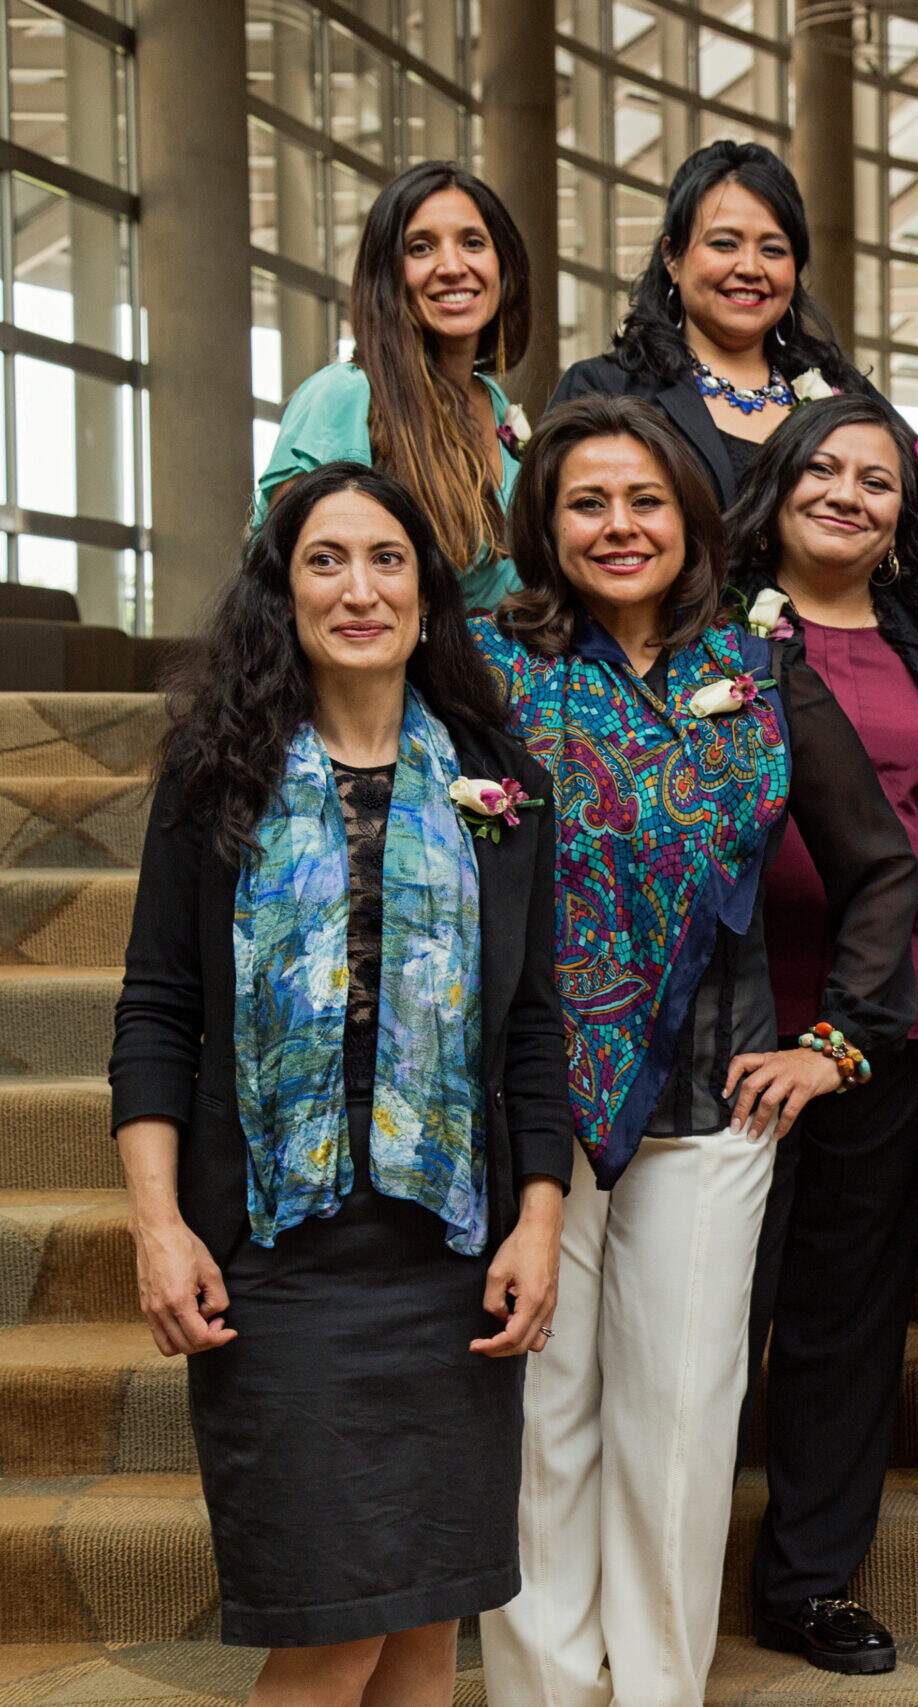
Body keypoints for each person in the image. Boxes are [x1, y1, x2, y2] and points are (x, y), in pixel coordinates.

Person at [473, 395, 918, 1707]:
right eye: (587, 503)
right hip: (530, 1106)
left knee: (677, 1424)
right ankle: (546, 1692)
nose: (619, 526)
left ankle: (661, 1687)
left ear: (691, 519)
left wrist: (832, 1043)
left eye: (645, 500)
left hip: (712, 1106)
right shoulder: (486, 670)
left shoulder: (758, 668)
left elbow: (880, 866)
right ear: (546, 524)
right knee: (542, 1420)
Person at [110, 464, 568, 1698]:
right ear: (284, 592)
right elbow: (157, 1013)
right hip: (275, 1262)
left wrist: (539, 1222)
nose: (358, 589)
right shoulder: (216, 777)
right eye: (326, 560)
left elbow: (533, 1029)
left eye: (385, 559)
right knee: (330, 1634)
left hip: (448, 1259)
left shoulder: (503, 787)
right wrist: (157, 1226)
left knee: (424, 1624)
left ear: (427, 595)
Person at [726, 392, 918, 1676]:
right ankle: (659, 1563)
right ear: (775, 488)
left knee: (847, 1310)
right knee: (713, 1307)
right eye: (821, 469)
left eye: (877, 481)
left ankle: (810, 1581)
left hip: (893, 1018)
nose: (846, 494)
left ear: (901, 515)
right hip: (731, 1017)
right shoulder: (708, 625)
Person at [256, 162, 534, 611]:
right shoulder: (345, 395)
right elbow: (291, 582)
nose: (452, 266)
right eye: (421, 248)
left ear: (504, 265)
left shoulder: (496, 402)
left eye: (473, 242)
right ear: (387, 275)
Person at [554, 140, 889, 509]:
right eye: (725, 244)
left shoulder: (845, 391)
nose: (750, 267)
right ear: (672, 257)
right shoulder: (605, 390)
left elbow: (914, 510)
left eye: (773, 250)